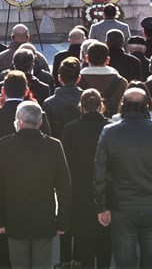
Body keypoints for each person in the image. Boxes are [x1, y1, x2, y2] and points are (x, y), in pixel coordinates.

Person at [95, 88, 152, 269]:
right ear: (146, 105)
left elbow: (99, 173)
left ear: (123, 105)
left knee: (124, 261)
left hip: (122, 206)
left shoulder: (109, 132)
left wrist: (102, 206)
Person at [0, 101, 73, 269]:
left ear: (19, 122)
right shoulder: (54, 146)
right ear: (40, 122)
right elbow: (64, 187)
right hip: (44, 219)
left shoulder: (4, 145)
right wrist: (63, 221)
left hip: (14, 220)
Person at [60, 89, 112, 268]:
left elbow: (65, 161)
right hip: (106, 187)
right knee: (105, 238)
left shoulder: (71, 129)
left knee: (84, 239)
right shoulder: (111, 128)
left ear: (81, 106)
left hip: (79, 189)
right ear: (100, 105)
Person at [43, 57, 84, 140]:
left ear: (59, 78)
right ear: (79, 78)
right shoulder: (85, 100)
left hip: (58, 145)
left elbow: (47, 132)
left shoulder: (49, 103)